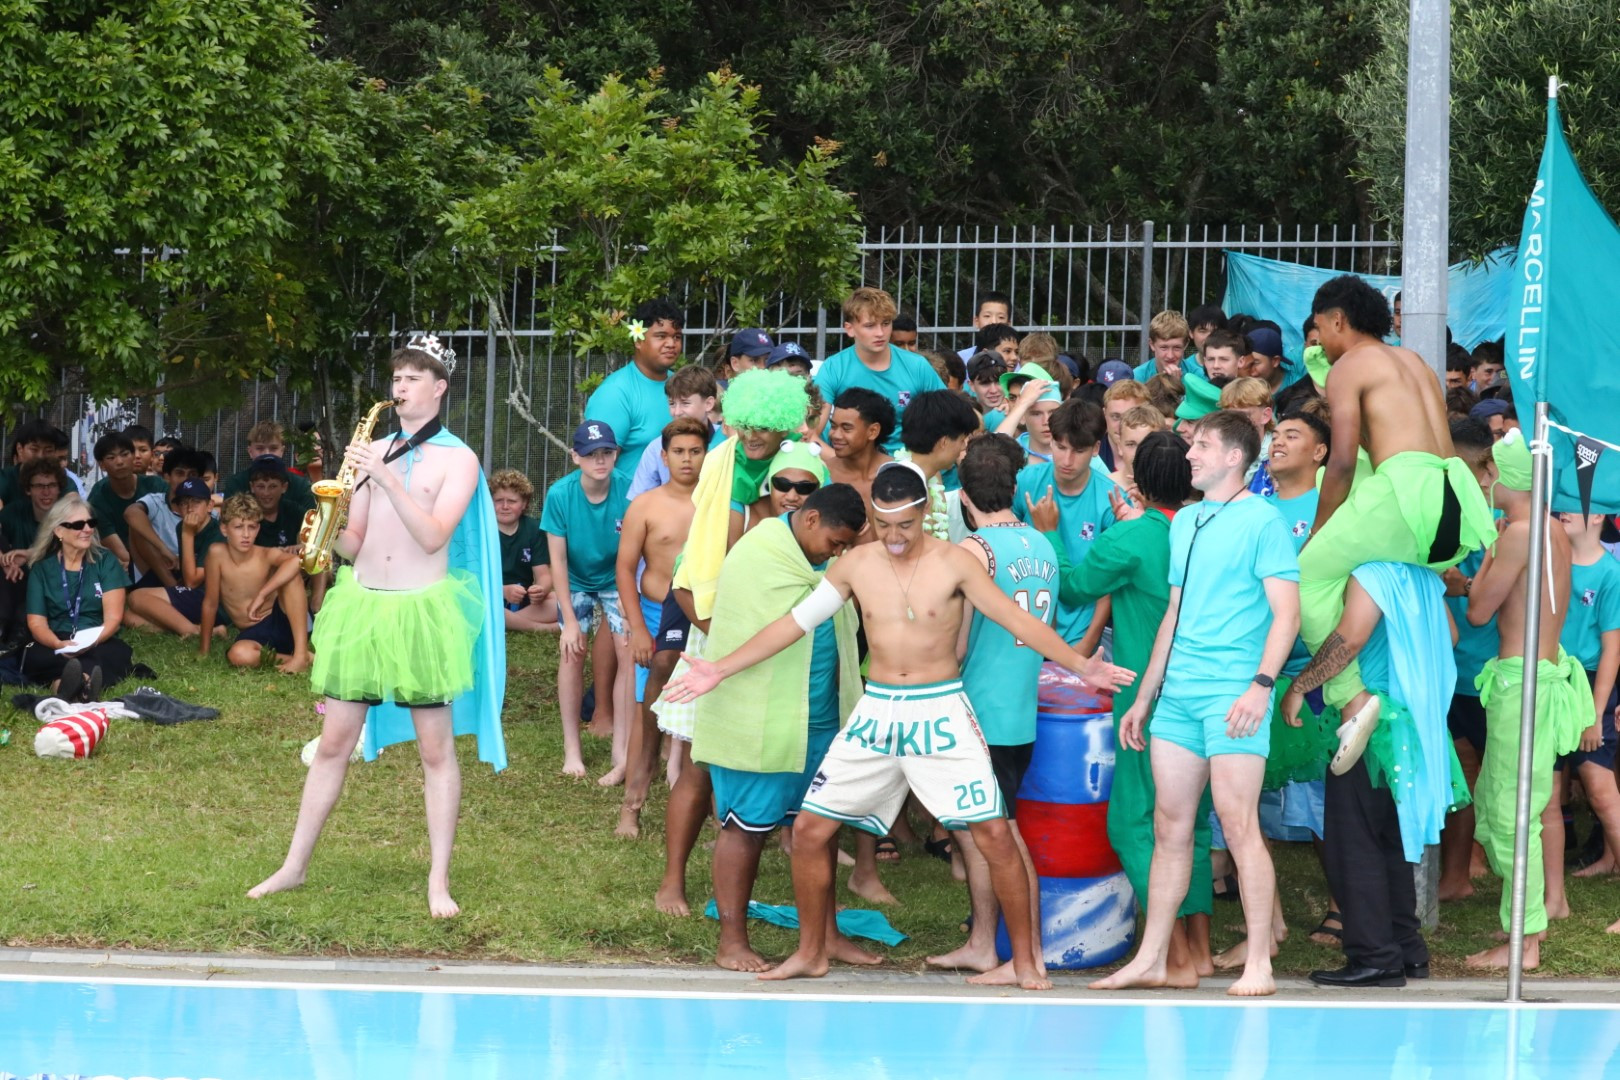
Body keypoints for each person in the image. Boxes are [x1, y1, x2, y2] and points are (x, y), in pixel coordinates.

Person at [665, 461, 1135, 989]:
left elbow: (1016, 619)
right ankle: (812, 953)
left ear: (925, 512)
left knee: (993, 833)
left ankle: (1027, 963)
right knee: (812, 829)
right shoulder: (854, 565)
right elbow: (794, 623)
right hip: (878, 709)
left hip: (940, 708)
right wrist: (720, 668)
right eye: (883, 525)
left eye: (905, 526)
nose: (893, 537)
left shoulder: (956, 562)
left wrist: (1082, 665)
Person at [249, 334, 507, 918]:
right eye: (397, 378)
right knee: (333, 744)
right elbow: (357, 541)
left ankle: (438, 881)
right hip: (363, 606)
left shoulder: (459, 459)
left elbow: (434, 536)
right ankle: (293, 867)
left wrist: (386, 478)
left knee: (435, 751)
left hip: (422, 612)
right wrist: (327, 525)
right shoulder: (374, 449)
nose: (401, 386)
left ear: (439, 388)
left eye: (413, 378)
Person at [1091, 410, 1300, 997]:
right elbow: (1173, 616)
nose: (1190, 454)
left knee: (1238, 824)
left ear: (1234, 457)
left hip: (1233, 695)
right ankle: (1154, 958)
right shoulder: (1185, 520)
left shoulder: (1263, 521)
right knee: (1170, 825)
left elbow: (1287, 615)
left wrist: (1260, 686)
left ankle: (1259, 963)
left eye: (1202, 445)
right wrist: (1144, 696)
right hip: (1178, 696)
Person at [1032, 429, 1216, 981]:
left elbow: (1073, 588)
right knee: (1192, 824)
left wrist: (1050, 533)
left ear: (1139, 480)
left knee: (1136, 822)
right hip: (1207, 691)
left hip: (1147, 700)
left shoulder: (1133, 537)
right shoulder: (1208, 528)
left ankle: (1173, 957)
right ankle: (1200, 951)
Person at [1300, 275, 1494, 774]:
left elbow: (1343, 461)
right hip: (1451, 501)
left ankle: (1352, 698)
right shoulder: (1415, 362)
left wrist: (1319, 530)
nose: (1319, 342)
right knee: (1356, 570)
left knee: (1308, 574)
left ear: (1337, 320)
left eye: (1320, 331)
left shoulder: (1350, 366)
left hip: (1405, 495)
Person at [654, 368, 810, 916]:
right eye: (745, 424)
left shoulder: (796, 469)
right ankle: (672, 881)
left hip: (776, 634)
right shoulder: (722, 464)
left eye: (764, 425)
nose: (753, 435)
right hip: (712, 625)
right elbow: (693, 570)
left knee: (773, 759)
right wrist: (715, 636)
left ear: (784, 424)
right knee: (701, 764)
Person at [696, 484, 868, 971]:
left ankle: (827, 936)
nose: (837, 555)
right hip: (761, 719)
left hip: (822, 718)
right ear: (811, 519)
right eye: (835, 543)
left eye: (846, 548)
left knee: (821, 829)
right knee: (743, 829)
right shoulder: (760, 552)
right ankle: (731, 942)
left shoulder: (821, 563)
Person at [925, 435, 1057, 983]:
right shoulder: (1042, 542)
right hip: (1019, 707)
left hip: (982, 709)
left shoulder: (972, 552)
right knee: (984, 833)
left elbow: (955, 644)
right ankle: (983, 943)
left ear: (963, 497)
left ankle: (1029, 955)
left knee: (1001, 836)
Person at [1458, 430, 1587, 969]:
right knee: (1505, 805)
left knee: (1513, 813)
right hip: (1538, 674)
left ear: (1503, 477)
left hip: (1521, 683)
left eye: (1487, 472)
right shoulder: (1552, 529)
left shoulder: (1519, 533)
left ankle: (1525, 941)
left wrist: (1484, 560)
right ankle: (1523, 922)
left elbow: (1478, 613)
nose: (1483, 483)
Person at [615, 417, 707, 822]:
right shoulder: (645, 505)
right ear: (664, 457)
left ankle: (709, 806)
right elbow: (624, 568)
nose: (687, 459)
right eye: (679, 452)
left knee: (705, 706)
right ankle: (632, 803)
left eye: (695, 451)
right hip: (654, 613)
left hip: (703, 615)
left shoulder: (720, 502)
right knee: (646, 708)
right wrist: (637, 628)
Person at [543, 420, 633, 780]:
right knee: (572, 650)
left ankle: (622, 747)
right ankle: (572, 747)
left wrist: (627, 596)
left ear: (616, 454)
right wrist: (568, 619)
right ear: (575, 457)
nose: (600, 460)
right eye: (591, 454)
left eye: (607, 452)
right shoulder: (560, 494)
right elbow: (558, 561)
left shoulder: (629, 489)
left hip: (616, 576)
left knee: (628, 649)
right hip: (575, 579)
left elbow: (634, 550)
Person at [1541, 510, 1620, 916]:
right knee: (1548, 796)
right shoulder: (1547, 560)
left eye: (1575, 502)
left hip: (1588, 687)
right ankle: (1555, 900)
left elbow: (1612, 650)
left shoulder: (1610, 573)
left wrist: (1594, 714)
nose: (1563, 510)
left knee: (1602, 793)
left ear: (1599, 514)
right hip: (1547, 682)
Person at [1013, 399, 1113, 655]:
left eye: (1078, 450)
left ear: (1096, 448)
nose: (1067, 460)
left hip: (1079, 637)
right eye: (1060, 447)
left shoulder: (1111, 500)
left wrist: (1087, 644)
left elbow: (1109, 586)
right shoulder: (1024, 482)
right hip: (1025, 632)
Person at [20, 495, 134, 700]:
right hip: (55, 638)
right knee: (37, 655)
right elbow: (36, 623)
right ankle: (79, 688)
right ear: (58, 531)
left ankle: (71, 687)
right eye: (79, 525)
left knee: (111, 654)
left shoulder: (105, 561)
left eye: (91, 523)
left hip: (97, 638)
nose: (88, 529)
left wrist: (90, 642)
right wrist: (57, 644)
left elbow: (113, 618)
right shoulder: (42, 569)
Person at [815, 287, 944, 454]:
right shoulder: (833, 368)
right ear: (849, 329)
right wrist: (839, 464)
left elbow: (950, 415)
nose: (880, 333)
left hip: (907, 462)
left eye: (886, 323)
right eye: (870, 326)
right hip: (848, 460)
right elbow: (811, 433)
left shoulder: (917, 365)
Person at [198, 494, 312, 672]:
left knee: (291, 577)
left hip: (285, 622)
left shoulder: (265, 554)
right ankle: (303, 658)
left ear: (258, 529)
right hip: (255, 633)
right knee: (238, 655)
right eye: (238, 527)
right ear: (224, 529)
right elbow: (210, 603)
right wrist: (204, 650)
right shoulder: (216, 554)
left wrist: (262, 594)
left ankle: (299, 653)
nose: (246, 535)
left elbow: (296, 561)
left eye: (251, 527)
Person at [585, 298, 685, 479]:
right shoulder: (614, 393)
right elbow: (596, 470)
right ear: (638, 340)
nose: (671, 343)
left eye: (677, 337)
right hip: (630, 497)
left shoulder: (683, 386)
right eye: (661, 336)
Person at [125, 475, 223, 637]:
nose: (189, 508)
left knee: (136, 597)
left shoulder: (215, 532)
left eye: (196, 502)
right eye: (184, 503)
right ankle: (200, 630)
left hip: (214, 602)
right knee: (130, 617)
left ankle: (190, 631)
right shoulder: (182, 526)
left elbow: (192, 582)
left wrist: (187, 535)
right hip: (195, 596)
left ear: (210, 505)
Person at [627, 365, 721, 500]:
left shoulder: (726, 440)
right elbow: (639, 501)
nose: (676, 412)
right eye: (672, 404)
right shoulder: (656, 448)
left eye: (685, 403)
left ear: (708, 404)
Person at [86, 432, 166, 569]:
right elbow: (122, 554)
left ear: (134, 456)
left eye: (124, 454)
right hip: (129, 565)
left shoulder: (157, 486)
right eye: (111, 457)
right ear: (101, 465)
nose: (120, 462)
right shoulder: (98, 498)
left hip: (165, 554)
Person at [822, 387, 895, 536]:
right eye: (833, 426)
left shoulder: (898, 475)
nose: (835, 435)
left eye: (846, 428)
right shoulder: (822, 474)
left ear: (873, 431)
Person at [490, 469, 556, 634]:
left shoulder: (534, 529)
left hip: (523, 600)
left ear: (524, 504)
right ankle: (541, 628)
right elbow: (474, 580)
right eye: (498, 500)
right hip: (491, 597)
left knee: (561, 601)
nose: (505, 506)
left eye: (512, 501)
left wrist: (540, 590)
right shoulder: (481, 530)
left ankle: (506, 621)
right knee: (481, 605)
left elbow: (544, 575)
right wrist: (503, 591)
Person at [221, 422, 316, 513]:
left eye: (273, 448)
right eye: (260, 448)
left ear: (282, 450)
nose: (267, 454)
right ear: (250, 451)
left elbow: (311, 520)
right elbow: (229, 520)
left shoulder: (300, 485)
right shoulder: (236, 484)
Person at [0, 460, 70, 558]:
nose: (46, 492)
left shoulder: (70, 518)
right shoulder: (13, 512)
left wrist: (31, 554)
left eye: (52, 485)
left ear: (59, 488)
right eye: (39, 486)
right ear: (28, 489)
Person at [994, 364, 1062, 464]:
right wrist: (1022, 405)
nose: (1046, 421)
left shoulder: (1080, 448)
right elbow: (991, 451)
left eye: (1052, 412)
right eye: (1036, 414)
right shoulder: (1013, 450)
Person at [242, 455, 305, 551]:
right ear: (252, 487)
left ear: (284, 487)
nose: (266, 493)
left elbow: (315, 539)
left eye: (273, 486)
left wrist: (301, 547)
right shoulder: (243, 513)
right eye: (261, 486)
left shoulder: (294, 511)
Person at [1133, 310, 1190, 383]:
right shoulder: (1138, 377)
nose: (1170, 356)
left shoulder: (1197, 375)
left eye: (1177, 348)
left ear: (1185, 345)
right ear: (1152, 344)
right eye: (1164, 348)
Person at [955, 292, 1014, 361]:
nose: (994, 322)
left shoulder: (1017, 361)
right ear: (976, 321)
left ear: (1008, 324)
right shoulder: (960, 359)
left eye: (1001, 317)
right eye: (987, 316)